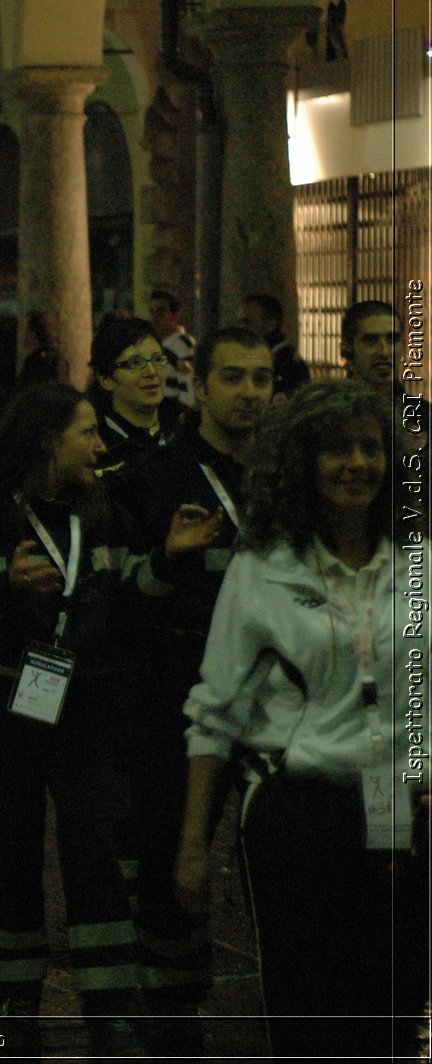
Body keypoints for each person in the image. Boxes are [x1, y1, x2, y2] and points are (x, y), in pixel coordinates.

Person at [0, 383, 202, 1054]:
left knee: (96, 850)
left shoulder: (103, 511)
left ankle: (109, 1007)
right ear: (49, 441)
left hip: (86, 704)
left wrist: (167, 559)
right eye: (87, 434)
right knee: (9, 848)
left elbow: (129, 595)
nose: (100, 446)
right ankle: (18, 1003)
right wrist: (2, 587)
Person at [174, 379, 428, 1059]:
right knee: (310, 1005)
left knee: (396, 1000)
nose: (356, 464)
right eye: (337, 449)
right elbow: (214, 712)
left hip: (393, 801)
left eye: (371, 448)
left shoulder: (416, 561)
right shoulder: (264, 567)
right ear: (302, 465)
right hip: (296, 807)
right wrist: (194, 848)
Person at [107, 325, 275, 1050]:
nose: (248, 393)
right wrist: (167, 562)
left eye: (261, 379)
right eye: (232, 378)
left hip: (276, 694)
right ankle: (172, 1009)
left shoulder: (284, 479)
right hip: (180, 689)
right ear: (199, 386)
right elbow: (120, 603)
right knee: (177, 847)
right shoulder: (153, 478)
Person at [89, 316, 171, 477]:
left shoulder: (182, 433)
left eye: (157, 359)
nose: (151, 372)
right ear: (106, 379)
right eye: (135, 363)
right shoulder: (97, 447)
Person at [237, 292, 308, 398]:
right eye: (240, 322)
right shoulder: (260, 358)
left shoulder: (286, 366)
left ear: (271, 324)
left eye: (247, 322)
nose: (241, 329)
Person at [148, 287, 196, 417]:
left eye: (161, 311)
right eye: (151, 311)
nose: (154, 317)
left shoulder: (184, 346)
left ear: (175, 315)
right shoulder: (151, 343)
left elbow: (188, 392)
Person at [15, 309, 66, 388]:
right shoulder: (60, 359)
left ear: (33, 334)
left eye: (26, 329)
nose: (22, 334)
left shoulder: (33, 362)